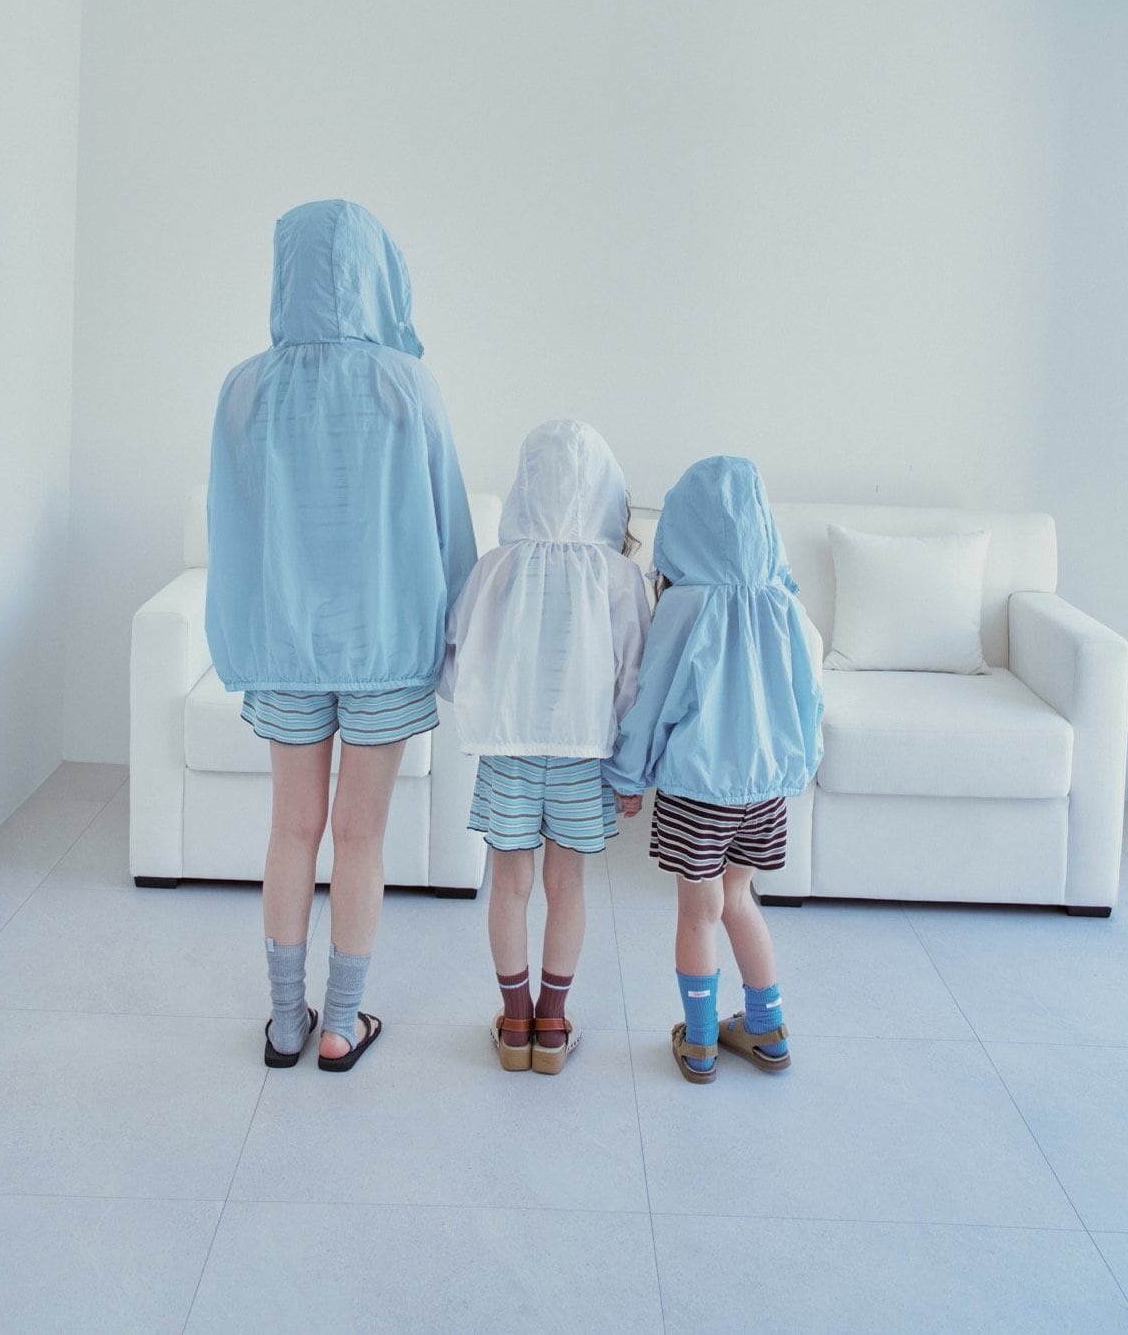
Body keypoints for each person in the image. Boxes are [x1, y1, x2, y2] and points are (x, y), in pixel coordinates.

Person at [206, 200, 476, 1071]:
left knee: (291, 828)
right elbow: (448, 522)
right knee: (361, 834)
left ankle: (285, 1021)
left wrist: (237, 636)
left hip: (283, 644)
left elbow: (230, 530)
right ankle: (340, 1025)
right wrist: (458, 631)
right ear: (374, 272)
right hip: (386, 646)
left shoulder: (243, 388)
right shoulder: (407, 384)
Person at [440, 420, 651, 1073]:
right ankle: (553, 1025)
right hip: (586, 755)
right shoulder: (619, 575)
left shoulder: (495, 567)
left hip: (509, 749)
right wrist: (629, 768)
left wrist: (481, 710)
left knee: (509, 884)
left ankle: (514, 1023)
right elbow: (633, 678)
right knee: (568, 885)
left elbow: (456, 655)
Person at [606, 456, 823, 1083]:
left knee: (698, 912)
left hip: (699, 791)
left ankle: (700, 1041)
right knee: (738, 899)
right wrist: (800, 765)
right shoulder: (784, 604)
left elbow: (652, 699)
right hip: (764, 790)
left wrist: (628, 776)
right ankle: (767, 1029)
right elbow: (808, 696)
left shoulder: (685, 605)